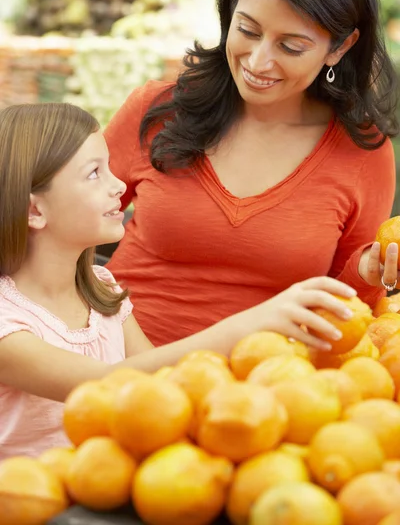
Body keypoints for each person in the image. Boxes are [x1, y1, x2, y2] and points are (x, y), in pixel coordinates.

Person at [0, 102, 359, 459]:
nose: (116, 185)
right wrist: (248, 325)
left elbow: (165, 380)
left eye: (110, 167)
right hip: (30, 501)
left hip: (102, 496)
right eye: (94, 173)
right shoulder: (7, 323)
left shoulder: (101, 288)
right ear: (35, 210)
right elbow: (106, 383)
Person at [104, 0, 399, 347]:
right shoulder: (158, 109)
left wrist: (368, 272)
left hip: (260, 392)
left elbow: (348, 310)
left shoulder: (362, 151)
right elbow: (54, 228)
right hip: (111, 372)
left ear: (339, 47)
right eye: (247, 30)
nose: (259, 61)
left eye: (291, 47)